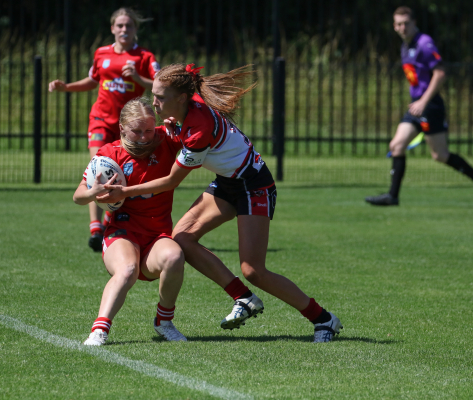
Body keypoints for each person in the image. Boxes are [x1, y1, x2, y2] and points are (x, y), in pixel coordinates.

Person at [97, 63, 343, 343]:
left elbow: (170, 182)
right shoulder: (189, 106)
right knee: (181, 239)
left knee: (254, 270)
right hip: (229, 182)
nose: (154, 102)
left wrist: (124, 192)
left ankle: (324, 319)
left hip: (253, 185)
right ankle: (244, 298)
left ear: (180, 98)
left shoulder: (198, 131)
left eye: (161, 97)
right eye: (154, 94)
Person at [73, 98, 186, 345]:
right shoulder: (109, 155)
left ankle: (164, 322)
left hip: (157, 234)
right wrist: (95, 191)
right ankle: (99, 330)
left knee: (175, 257)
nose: (145, 137)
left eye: (149, 129)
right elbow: (78, 196)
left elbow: (197, 134)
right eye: (136, 131)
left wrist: (179, 123)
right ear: (122, 128)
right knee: (127, 270)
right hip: (123, 231)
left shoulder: (166, 140)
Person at [50, 8, 161, 251]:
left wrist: (140, 79)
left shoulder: (144, 56)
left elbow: (161, 83)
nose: (124, 30)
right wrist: (66, 87)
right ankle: (95, 226)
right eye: (119, 26)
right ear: (112, 28)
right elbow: (93, 80)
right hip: (101, 119)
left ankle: (112, 220)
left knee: (122, 171)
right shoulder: (101, 53)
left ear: (135, 29)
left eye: (128, 26)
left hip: (130, 126)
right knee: (98, 167)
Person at [365, 6, 473, 207]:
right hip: (416, 106)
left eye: (406, 23)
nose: (402, 27)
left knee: (440, 155)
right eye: (399, 24)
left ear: (414, 23)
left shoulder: (424, 44)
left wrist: (424, 101)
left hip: (429, 106)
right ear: (394, 26)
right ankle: (392, 196)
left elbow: (440, 73)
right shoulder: (405, 46)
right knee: (397, 145)